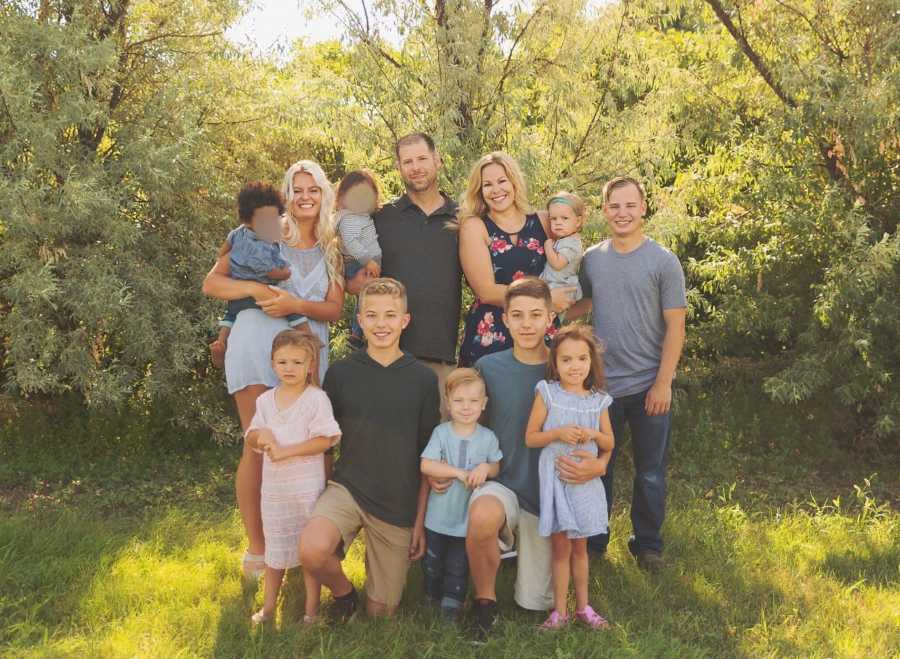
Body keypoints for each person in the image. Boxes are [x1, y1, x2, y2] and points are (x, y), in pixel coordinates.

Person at [201, 160, 345, 580]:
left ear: (323, 194)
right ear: (285, 195)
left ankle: (309, 548)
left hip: (308, 346)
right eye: (296, 189)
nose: (305, 197)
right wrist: (255, 290)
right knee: (258, 443)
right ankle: (259, 551)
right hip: (254, 338)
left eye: (313, 189)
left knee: (315, 445)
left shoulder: (333, 246)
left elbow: (334, 310)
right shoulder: (255, 235)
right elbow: (213, 283)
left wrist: (293, 306)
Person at [461, 277, 608, 640]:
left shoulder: (566, 367)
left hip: (551, 496)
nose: (526, 324)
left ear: (549, 319)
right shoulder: (488, 367)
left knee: (535, 602)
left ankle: (542, 587)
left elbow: (600, 427)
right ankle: (484, 605)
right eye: (518, 315)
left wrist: (601, 465)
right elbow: (468, 424)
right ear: (505, 320)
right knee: (482, 516)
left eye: (535, 315)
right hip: (505, 483)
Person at [299, 278, 440, 619]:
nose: (381, 324)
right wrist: (322, 494)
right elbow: (327, 443)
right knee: (312, 550)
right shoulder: (342, 374)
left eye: (390, 316)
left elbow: (428, 456)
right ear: (359, 320)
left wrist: (419, 521)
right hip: (348, 488)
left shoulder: (422, 379)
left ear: (404, 321)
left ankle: (375, 587)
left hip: (396, 503)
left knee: (380, 613)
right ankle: (345, 595)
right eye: (372, 315)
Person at [568, 176, 687, 570]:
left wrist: (663, 383)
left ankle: (647, 546)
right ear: (604, 211)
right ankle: (595, 540)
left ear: (643, 208)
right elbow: (582, 303)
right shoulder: (592, 259)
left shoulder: (663, 261)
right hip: (601, 388)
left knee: (650, 472)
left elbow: (676, 327)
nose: (622, 213)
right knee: (598, 467)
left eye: (629, 205)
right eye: (614, 206)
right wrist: (540, 310)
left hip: (648, 385)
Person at [345, 133, 460, 414]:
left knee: (435, 449)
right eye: (407, 161)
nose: (416, 167)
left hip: (439, 354)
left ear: (437, 160)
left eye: (422, 159)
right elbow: (348, 271)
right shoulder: (381, 217)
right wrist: (352, 284)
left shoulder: (463, 218)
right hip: (384, 352)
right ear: (399, 167)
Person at [244, 330, 342, 625]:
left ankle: (311, 612)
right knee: (275, 551)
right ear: (272, 364)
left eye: (297, 362)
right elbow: (251, 435)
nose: (289, 368)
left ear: (311, 366)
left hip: (305, 492)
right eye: (282, 361)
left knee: (307, 556)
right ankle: (269, 607)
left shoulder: (316, 399)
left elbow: (326, 439)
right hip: (274, 494)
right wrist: (264, 437)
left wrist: (286, 451)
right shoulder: (264, 401)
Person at [525, 324, 614, 630]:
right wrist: (558, 433)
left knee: (581, 548)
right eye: (566, 360)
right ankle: (560, 611)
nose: (574, 366)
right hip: (556, 481)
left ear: (591, 362)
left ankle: (584, 608)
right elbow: (531, 438)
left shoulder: (598, 400)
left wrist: (592, 433)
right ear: (555, 363)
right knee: (561, 547)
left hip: (585, 484)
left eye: (581, 359)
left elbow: (610, 443)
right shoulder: (547, 393)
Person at [457, 152, 574, 368]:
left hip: (541, 334)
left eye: (502, 181)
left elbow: (572, 256)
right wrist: (545, 299)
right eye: (487, 185)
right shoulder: (474, 226)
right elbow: (486, 291)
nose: (496, 190)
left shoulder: (544, 220)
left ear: (514, 183)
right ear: (480, 191)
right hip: (493, 335)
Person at [419, 368, 502, 622]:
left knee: (458, 565)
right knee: (433, 564)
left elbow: (496, 466)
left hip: (465, 522)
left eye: (473, 401)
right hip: (437, 518)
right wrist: (457, 472)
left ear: (484, 403)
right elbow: (426, 465)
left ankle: (451, 607)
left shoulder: (488, 438)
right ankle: (431, 598)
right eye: (458, 401)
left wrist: (484, 468)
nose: (466, 407)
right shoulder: (441, 433)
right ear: (447, 402)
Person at [209, 182, 307, 368]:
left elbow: (224, 250)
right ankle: (308, 337)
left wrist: (226, 258)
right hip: (264, 292)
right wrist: (285, 273)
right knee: (293, 309)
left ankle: (221, 343)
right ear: (249, 221)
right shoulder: (257, 248)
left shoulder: (238, 234)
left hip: (238, 293)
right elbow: (274, 272)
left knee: (230, 315)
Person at [334, 169, 382, 347]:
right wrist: (368, 261)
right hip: (356, 263)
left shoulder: (362, 216)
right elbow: (352, 244)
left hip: (362, 262)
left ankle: (360, 332)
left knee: (367, 297)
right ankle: (358, 332)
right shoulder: (349, 218)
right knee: (367, 295)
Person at [540, 191, 586, 304]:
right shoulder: (565, 240)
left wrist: (548, 247)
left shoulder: (572, 244)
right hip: (554, 284)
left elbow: (557, 264)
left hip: (561, 287)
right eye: (553, 219)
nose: (558, 223)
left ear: (578, 221)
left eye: (564, 218)